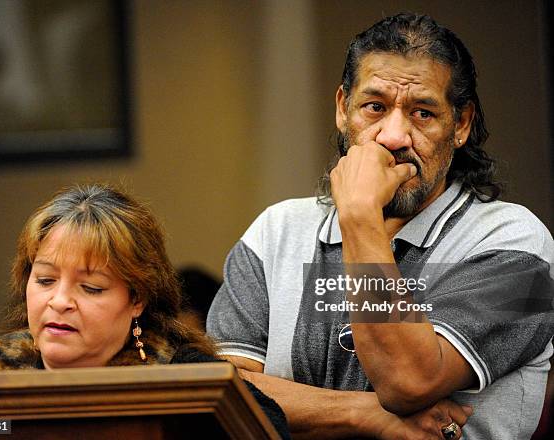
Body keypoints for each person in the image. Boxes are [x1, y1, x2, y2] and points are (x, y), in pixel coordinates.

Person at [207, 13, 554, 440]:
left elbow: (408, 382)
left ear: (460, 125)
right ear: (342, 109)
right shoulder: (274, 232)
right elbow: (222, 398)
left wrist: (358, 217)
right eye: (375, 108)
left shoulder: (520, 245)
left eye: (423, 113)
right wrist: (364, 413)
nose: (392, 136)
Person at [0, 184, 290, 438]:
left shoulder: (189, 383)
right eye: (44, 280)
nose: (59, 301)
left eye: (91, 288)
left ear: (137, 299)